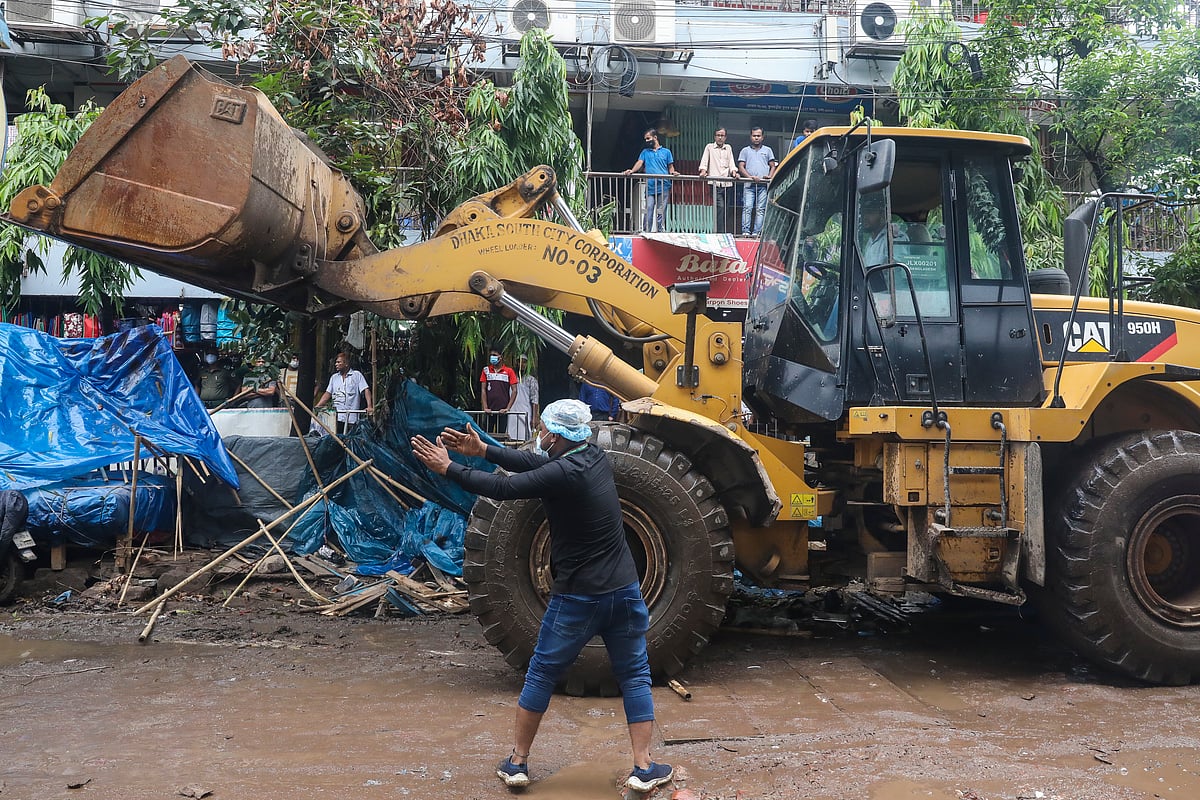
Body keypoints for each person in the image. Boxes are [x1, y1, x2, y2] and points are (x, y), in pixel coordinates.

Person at [408, 399, 673, 793]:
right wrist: (483, 450)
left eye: (545, 428)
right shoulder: (593, 456)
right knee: (634, 675)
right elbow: (535, 467)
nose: (540, 433)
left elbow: (505, 486)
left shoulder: (563, 471)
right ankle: (643, 766)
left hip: (578, 598)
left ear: (558, 435)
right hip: (624, 592)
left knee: (542, 673)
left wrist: (450, 468)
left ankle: (517, 762)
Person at [623, 128, 679, 233]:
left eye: (648, 138)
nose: (647, 141)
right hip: (650, 186)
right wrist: (632, 170)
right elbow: (639, 162)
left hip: (664, 185)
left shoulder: (666, 152)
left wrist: (673, 172)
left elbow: (670, 167)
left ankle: (660, 230)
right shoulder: (645, 152)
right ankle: (646, 230)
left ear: (655, 137)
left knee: (661, 210)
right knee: (648, 208)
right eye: (645, 139)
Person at [315, 352, 372, 435]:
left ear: (346, 364)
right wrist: (318, 406)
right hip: (336, 417)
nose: (336, 364)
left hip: (351, 418)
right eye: (336, 362)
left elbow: (366, 390)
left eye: (339, 362)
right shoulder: (334, 378)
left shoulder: (357, 375)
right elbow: (327, 394)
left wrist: (369, 406)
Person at [737, 127, 778, 237]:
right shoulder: (745, 151)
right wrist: (750, 177)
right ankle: (745, 232)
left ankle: (756, 233)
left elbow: (773, 166)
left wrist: (769, 176)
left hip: (763, 185)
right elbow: (741, 167)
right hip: (749, 185)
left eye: (758, 136)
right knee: (747, 208)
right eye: (754, 135)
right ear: (751, 137)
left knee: (760, 210)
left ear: (762, 137)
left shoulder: (767, 150)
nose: (756, 138)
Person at [698, 127, 739, 234]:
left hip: (727, 184)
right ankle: (719, 232)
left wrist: (734, 172)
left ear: (725, 137)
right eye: (718, 135)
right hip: (715, 184)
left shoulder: (728, 148)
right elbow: (704, 162)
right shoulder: (709, 147)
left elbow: (731, 163)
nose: (720, 138)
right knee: (720, 207)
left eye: (722, 135)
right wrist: (703, 171)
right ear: (714, 137)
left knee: (726, 209)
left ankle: (724, 231)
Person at [479, 348, 517, 437]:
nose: (493, 357)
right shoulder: (486, 370)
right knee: (486, 436)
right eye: (491, 355)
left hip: (502, 411)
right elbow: (483, 389)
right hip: (489, 411)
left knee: (501, 436)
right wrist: (485, 407)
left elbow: (515, 390)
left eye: (495, 355)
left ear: (501, 357)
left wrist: (507, 408)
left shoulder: (509, 371)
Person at [506, 354, 540, 443]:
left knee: (524, 438)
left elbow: (535, 400)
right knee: (511, 437)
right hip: (512, 412)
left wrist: (534, 417)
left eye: (524, 362)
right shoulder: (510, 378)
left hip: (525, 412)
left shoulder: (531, 380)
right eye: (519, 361)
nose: (522, 364)